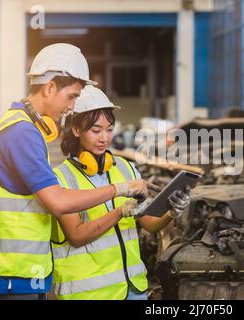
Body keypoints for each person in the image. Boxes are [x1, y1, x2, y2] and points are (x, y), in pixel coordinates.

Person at [0, 43, 149, 300]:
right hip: (12, 271)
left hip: (21, 271)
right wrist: (119, 190)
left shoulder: (23, 128)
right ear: (50, 87)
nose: (73, 106)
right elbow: (58, 201)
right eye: (72, 96)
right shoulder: (22, 132)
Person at [51, 85, 191, 300]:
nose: (104, 138)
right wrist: (120, 212)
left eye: (109, 129)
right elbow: (77, 236)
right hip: (89, 294)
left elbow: (149, 223)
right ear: (76, 130)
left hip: (133, 290)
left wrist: (171, 211)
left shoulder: (125, 168)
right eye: (96, 130)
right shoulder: (60, 179)